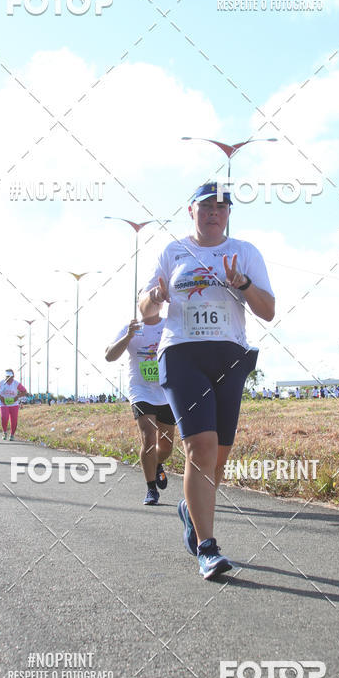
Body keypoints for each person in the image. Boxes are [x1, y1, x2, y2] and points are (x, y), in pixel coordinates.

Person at [139, 182, 275, 579]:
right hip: (181, 353)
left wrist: (244, 286)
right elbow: (146, 311)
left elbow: (268, 311)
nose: (214, 212)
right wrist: (156, 297)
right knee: (200, 446)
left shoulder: (246, 252)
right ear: (191, 210)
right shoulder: (172, 251)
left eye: (221, 206)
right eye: (206, 206)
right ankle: (208, 547)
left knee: (217, 457)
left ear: (229, 213)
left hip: (229, 357)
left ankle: (190, 509)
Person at [105, 316, 176, 506]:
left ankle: (157, 464)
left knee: (167, 446)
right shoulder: (131, 327)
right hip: (140, 390)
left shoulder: (170, 323)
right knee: (148, 438)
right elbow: (109, 355)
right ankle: (151, 489)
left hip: (166, 391)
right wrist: (128, 336)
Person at [0, 370, 27, 440]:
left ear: (13, 376)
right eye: (7, 377)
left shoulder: (16, 383)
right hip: (4, 404)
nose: (9, 379)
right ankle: (4, 432)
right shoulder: (1, 383)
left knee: (14, 420)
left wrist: (17, 396)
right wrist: (1, 398)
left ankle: (12, 434)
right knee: (4, 418)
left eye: (10, 377)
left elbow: (24, 391)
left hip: (14, 404)